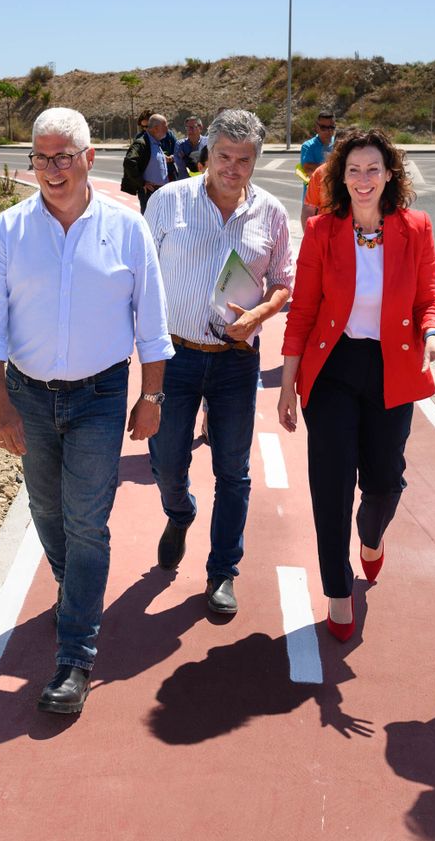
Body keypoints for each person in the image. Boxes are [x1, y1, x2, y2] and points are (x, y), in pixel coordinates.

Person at [0, 107, 173, 716]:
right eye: (41, 156)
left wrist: (152, 395)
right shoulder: (9, 230)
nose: (53, 169)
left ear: (90, 158)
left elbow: (152, 320)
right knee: (47, 510)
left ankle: (75, 655)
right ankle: (76, 590)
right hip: (29, 396)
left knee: (88, 520)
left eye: (65, 157)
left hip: (102, 395)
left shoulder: (127, 227)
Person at [277, 130, 435, 642]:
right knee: (331, 482)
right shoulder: (322, 232)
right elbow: (302, 312)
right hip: (333, 369)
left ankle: (370, 537)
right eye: (354, 171)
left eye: (373, 169)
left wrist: (432, 335)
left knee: (384, 482)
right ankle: (338, 591)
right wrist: (287, 383)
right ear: (339, 178)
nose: (363, 180)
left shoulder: (416, 228)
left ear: (390, 175)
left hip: (394, 366)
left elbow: (428, 298)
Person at [143, 109, 293, 615]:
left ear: (256, 160)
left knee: (234, 469)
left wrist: (260, 315)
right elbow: (141, 278)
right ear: (207, 152)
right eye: (224, 156)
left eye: (244, 160)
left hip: (235, 361)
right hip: (175, 356)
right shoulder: (168, 203)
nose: (233, 168)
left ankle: (222, 570)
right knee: (166, 461)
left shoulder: (271, 213)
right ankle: (179, 511)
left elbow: (283, 283)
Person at [122, 113, 177, 212]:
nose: (167, 130)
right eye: (165, 127)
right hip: (150, 193)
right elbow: (129, 162)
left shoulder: (156, 142)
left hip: (161, 192)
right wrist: (142, 183)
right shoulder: (142, 143)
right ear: (156, 128)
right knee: (150, 223)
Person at [297, 111, 337, 179]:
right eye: (323, 127)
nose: (328, 131)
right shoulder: (308, 146)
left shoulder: (338, 143)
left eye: (331, 127)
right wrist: (333, 169)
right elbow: (307, 168)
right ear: (316, 127)